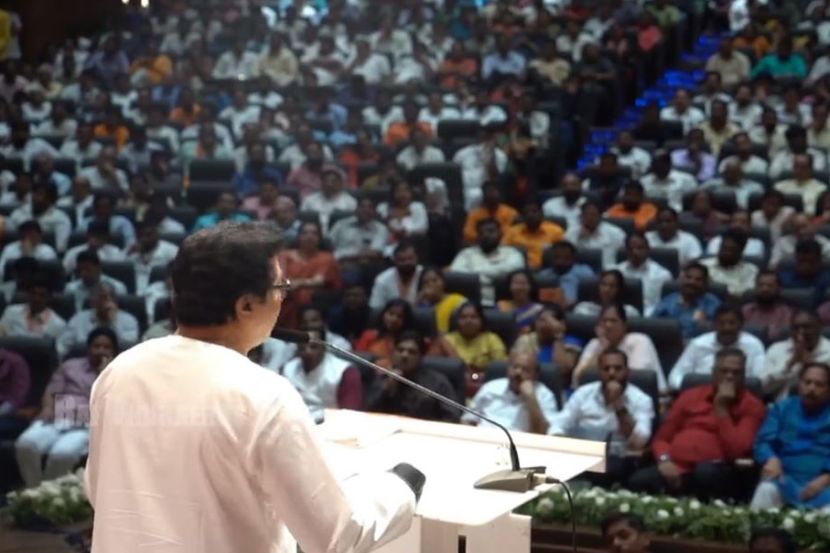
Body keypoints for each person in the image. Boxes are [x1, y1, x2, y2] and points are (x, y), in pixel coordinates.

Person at [86, 221, 423, 553]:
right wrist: (400, 487)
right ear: (246, 305)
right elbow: (337, 537)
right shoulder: (263, 395)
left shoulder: (119, 372)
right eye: (281, 288)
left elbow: (97, 488)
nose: (283, 299)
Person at [628, 349, 766, 500]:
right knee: (638, 481)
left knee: (704, 474)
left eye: (736, 372)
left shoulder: (752, 405)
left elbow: (737, 451)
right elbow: (662, 439)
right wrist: (664, 460)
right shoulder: (690, 396)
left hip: (719, 470)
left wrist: (721, 409)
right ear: (713, 373)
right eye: (724, 371)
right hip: (675, 465)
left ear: (744, 375)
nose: (729, 376)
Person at [16, 327, 117, 486]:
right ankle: (35, 489)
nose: (101, 351)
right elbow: (51, 391)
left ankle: (50, 492)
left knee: (62, 453)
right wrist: (47, 408)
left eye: (106, 347)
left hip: (85, 425)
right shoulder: (70, 366)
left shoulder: (118, 373)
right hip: (55, 419)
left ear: (114, 352)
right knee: (25, 444)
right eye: (96, 346)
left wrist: (104, 374)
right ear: (88, 348)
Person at [550, 349, 654, 486]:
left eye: (617, 368)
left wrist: (618, 406)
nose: (611, 373)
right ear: (599, 372)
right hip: (583, 454)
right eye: (606, 368)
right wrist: (561, 441)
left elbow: (640, 441)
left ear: (627, 372)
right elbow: (558, 424)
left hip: (619, 457)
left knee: (610, 468)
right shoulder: (583, 394)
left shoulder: (641, 400)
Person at [751, 363, 830, 510]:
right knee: (766, 490)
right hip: (784, 478)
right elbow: (763, 442)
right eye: (807, 382)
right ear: (799, 384)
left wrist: (826, 478)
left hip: (823, 483)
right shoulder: (782, 408)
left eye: (819, 384)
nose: (811, 388)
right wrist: (771, 459)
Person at [365, 331, 459, 422]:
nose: (404, 355)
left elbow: (452, 418)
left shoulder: (437, 382)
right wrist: (386, 389)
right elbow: (366, 412)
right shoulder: (383, 378)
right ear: (393, 353)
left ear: (421, 357)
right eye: (400, 350)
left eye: (412, 352)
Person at [668, 306, 766, 391]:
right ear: (714, 325)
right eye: (721, 323)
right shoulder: (698, 344)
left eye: (732, 323)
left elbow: (759, 379)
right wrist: (690, 391)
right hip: (698, 395)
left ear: (741, 325)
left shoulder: (753, 345)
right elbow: (675, 377)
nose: (727, 328)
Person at [573, 304, 666, 393]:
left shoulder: (640, 341)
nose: (608, 325)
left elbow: (637, 380)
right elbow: (577, 377)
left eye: (613, 321)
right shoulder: (595, 344)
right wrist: (603, 349)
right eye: (604, 321)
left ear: (624, 325)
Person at [463, 349, 558, 433]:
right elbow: (467, 420)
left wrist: (531, 398)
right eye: (515, 367)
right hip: (484, 439)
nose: (518, 372)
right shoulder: (491, 387)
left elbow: (544, 433)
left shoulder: (545, 396)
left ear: (535, 374)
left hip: (519, 445)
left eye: (525, 369)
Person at [280, 328, 362, 420]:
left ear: (323, 347)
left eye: (313, 347)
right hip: (293, 421)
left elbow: (349, 416)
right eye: (302, 348)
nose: (307, 352)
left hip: (330, 423)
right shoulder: (288, 368)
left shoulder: (345, 372)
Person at [277, 221, 342, 329]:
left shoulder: (326, 258)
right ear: (298, 237)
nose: (309, 236)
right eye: (305, 233)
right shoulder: (284, 256)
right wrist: (290, 285)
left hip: (314, 302)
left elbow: (318, 281)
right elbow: (279, 280)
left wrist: (297, 284)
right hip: (285, 297)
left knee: (302, 296)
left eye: (314, 233)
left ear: (320, 238)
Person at [450, 218, 526, 306]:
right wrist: (496, 273)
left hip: (506, 301)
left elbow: (515, 269)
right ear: (477, 236)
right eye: (481, 232)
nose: (486, 235)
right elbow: (457, 274)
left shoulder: (512, 252)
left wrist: (476, 274)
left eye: (491, 231)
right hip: (471, 303)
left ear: (500, 234)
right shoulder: (466, 254)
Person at [57, 282, 139, 358]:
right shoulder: (78, 319)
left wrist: (113, 323)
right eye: (103, 297)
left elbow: (131, 349)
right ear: (93, 301)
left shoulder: (129, 320)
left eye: (111, 297)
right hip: (83, 364)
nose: (108, 301)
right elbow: (62, 347)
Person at [761, 311, 830, 401]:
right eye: (796, 328)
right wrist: (790, 364)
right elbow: (764, 388)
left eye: (806, 327)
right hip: (782, 405)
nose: (801, 332)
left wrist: (810, 364)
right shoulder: (777, 349)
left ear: (819, 327)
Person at [445, 302, 508, 396]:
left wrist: (475, 376)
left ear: (482, 320)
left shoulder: (491, 339)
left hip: (485, 387)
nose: (468, 321)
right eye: (463, 317)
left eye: (473, 317)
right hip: (454, 388)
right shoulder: (447, 341)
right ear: (457, 321)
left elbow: (500, 369)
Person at [651, 262, 722, 340]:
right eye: (688, 277)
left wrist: (704, 325)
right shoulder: (668, 301)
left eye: (698, 280)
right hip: (670, 343)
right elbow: (652, 325)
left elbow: (721, 330)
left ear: (705, 284)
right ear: (681, 279)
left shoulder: (713, 304)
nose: (692, 282)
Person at [613, 232, 672, 315]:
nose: (635, 252)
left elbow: (666, 304)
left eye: (640, 248)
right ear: (626, 250)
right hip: (620, 315)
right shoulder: (616, 271)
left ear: (648, 249)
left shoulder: (662, 274)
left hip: (651, 317)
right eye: (631, 248)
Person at [0, 272, 66, 339]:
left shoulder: (58, 325)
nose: (36, 299)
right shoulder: (11, 312)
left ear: (49, 297)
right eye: (33, 293)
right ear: (28, 294)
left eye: (42, 295)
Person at [502, 200, 564, 270]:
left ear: (542, 214)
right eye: (527, 213)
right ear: (522, 216)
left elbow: (562, 254)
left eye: (534, 212)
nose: (530, 215)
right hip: (519, 269)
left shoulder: (555, 231)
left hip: (546, 269)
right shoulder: (512, 231)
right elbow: (504, 252)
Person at [537, 241, 596, 306]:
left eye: (566, 258)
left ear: (573, 258)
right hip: (549, 308)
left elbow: (592, 296)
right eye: (557, 257)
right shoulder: (544, 275)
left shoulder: (584, 272)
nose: (560, 262)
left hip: (578, 308)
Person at [741, 271, 794, 342]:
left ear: (779, 289)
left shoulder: (787, 313)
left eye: (770, 286)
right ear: (755, 288)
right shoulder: (745, 311)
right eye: (761, 285)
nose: (765, 289)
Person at [369, 241, 423, 309]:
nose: (407, 263)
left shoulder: (426, 275)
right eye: (402, 260)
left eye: (410, 259)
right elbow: (375, 308)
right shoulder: (382, 280)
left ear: (417, 258)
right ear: (394, 261)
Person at [416, 267, 467, 334]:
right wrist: (419, 299)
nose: (431, 284)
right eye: (426, 283)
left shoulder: (456, 300)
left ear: (443, 282)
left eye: (434, 280)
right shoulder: (421, 306)